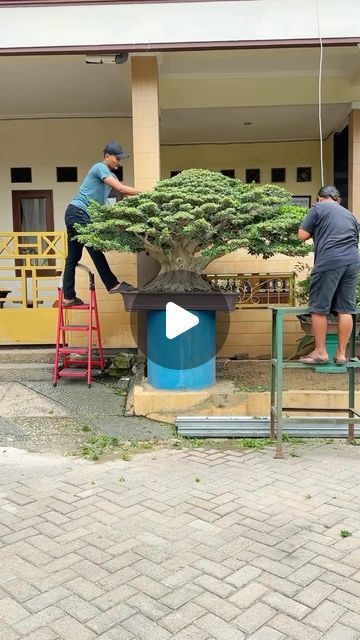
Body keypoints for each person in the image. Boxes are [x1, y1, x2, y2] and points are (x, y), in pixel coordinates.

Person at [62, 142, 141, 306]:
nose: (119, 161)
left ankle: (68, 296)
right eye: (117, 158)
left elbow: (104, 206)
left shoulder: (108, 177)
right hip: (79, 212)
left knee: (73, 258)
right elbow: (122, 189)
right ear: (107, 156)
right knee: (95, 247)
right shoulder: (99, 167)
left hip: (74, 213)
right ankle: (112, 284)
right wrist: (147, 193)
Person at [298, 185, 359, 364]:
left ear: (319, 198)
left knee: (318, 308)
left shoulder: (317, 208)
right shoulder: (350, 215)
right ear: (337, 199)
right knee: (346, 309)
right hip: (352, 262)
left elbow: (302, 235)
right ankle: (341, 354)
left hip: (329, 262)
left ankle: (320, 352)